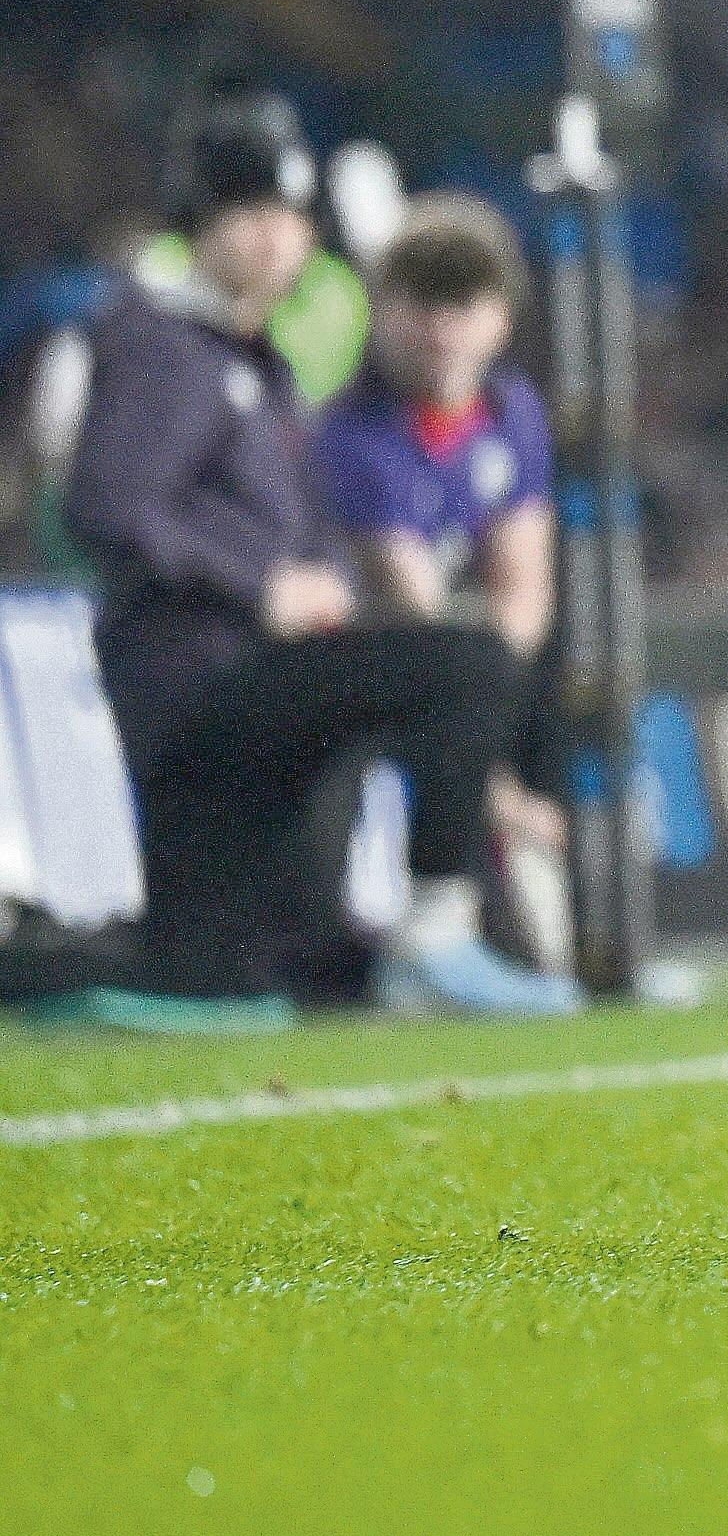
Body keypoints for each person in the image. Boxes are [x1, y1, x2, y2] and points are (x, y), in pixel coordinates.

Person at [64, 93, 573, 1018]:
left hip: (246, 689)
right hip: (202, 691)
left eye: (290, 216)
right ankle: (436, 931)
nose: (273, 238)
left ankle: (456, 942)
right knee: (467, 664)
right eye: (247, 213)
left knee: (266, 968)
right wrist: (258, 585)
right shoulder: (168, 346)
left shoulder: (247, 356)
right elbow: (105, 504)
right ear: (201, 224)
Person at [308, 192, 572, 957]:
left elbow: (524, 590)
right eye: (420, 305)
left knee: (554, 666)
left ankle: (580, 919)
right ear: (382, 311)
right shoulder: (352, 437)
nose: (440, 331)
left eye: (461, 306)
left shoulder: (512, 413)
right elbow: (409, 609)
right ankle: (438, 926)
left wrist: (495, 725)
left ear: (500, 319)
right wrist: (497, 796)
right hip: (360, 667)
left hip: (462, 673)